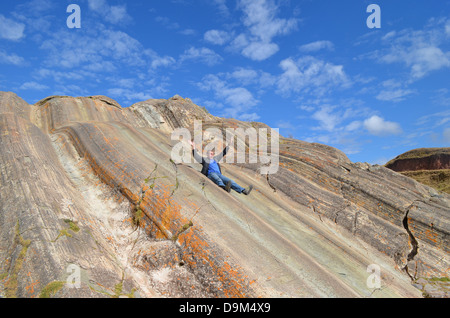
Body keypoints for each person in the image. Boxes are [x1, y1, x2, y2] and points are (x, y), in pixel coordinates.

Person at [189, 140, 253, 195]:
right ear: (207, 154)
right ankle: (224, 187)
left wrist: (229, 144)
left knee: (230, 181)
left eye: (213, 153)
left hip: (219, 174)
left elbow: (223, 153)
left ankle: (244, 190)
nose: (212, 154)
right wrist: (193, 147)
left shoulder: (216, 159)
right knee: (217, 179)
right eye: (210, 153)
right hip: (210, 174)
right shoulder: (205, 160)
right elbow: (196, 156)